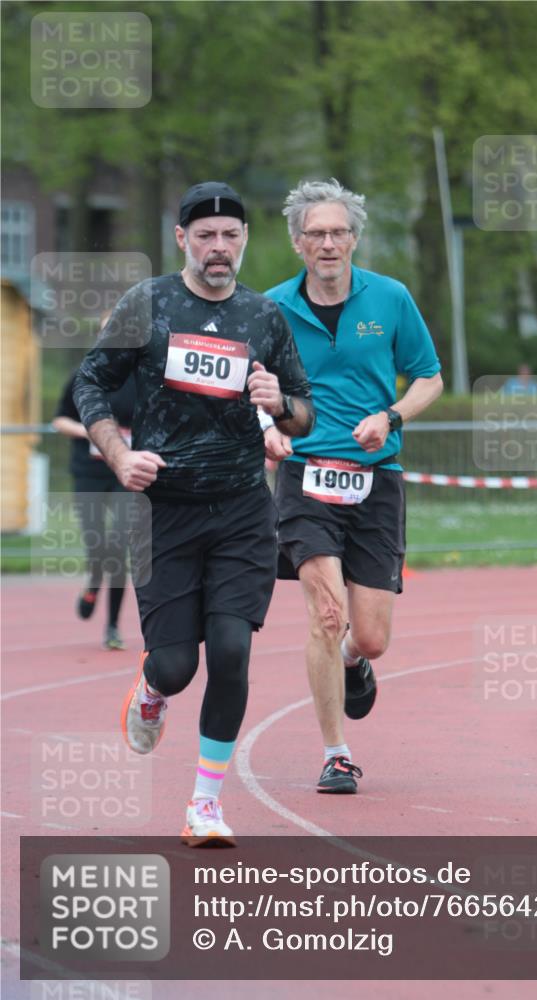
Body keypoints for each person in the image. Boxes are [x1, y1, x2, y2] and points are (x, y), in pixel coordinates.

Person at [73, 181, 314, 845]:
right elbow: (91, 383)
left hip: (240, 508)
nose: (218, 247)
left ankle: (204, 804)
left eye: (230, 235)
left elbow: (302, 405)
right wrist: (121, 456)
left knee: (232, 651)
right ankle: (152, 689)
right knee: (177, 665)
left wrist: (281, 401)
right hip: (164, 513)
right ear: (181, 238)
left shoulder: (263, 317)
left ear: (244, 241)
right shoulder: (147, 304)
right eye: (204, 235)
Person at [263, 178, 443, 794]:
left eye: (339, 232)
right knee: (325, 613)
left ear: (355, 239)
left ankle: (354, 661)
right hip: (305, 477)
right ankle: (335, 752)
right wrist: (266, 426)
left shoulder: (390, 299)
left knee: (368, 635)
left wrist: (390, 416)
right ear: (297, 243)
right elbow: (244, 386)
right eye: (316, 233)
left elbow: (429, 378)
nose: (329, 243)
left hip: (376, 481)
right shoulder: (270, 308)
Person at [53, 315, 136, 651]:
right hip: (88, 471)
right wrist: (90, 430)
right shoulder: (84, 376)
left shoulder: (141, 379)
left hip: (125, 472)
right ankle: (93, 580)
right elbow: (60, 419)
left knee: (117, 548)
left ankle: (113, 626)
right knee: (97, 544)